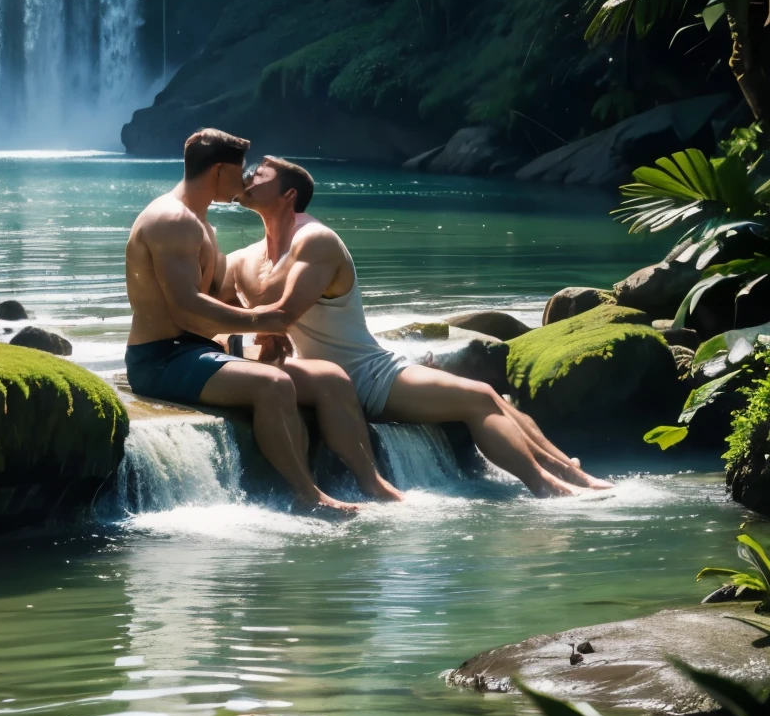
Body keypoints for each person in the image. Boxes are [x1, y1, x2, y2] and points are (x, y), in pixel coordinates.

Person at [223, 155, 612, 498]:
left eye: (260, 173)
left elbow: (281, 311)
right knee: (479, 397)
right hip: (334, 377)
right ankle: (556, 479)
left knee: (482, 396)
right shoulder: (245, 257)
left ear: (288, 195)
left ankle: (557, 478)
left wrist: (258, 327)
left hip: (367, 371)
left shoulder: (315, 239)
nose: (249, 176)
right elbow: (215, 312)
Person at [124, 128, 402, 511]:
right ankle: (309, 495)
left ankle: (372, 483)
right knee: (272, 384)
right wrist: (263, 321)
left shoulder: (201, 224)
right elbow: (184, 307)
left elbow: (218, 301)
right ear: (219, 171)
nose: (245, 181)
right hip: (160, 358)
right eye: (240, 172)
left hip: (195, 351)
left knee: (331, 378)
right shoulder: (173, 220)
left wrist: (255, 333)